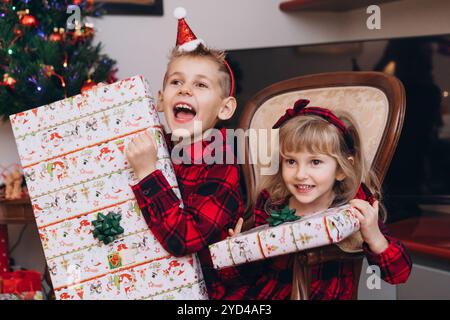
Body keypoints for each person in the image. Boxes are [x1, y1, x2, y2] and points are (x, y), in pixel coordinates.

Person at [229, 99, 412, 300]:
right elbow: (250, 275)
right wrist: (241, 251)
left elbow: (399, 274)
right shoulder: (272, 204)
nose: (300, 174)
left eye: (315, 162)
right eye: (291, 161)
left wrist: (375, 237)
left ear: (341, 169)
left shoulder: (352, 208)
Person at [125, 8, 246, 299]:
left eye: (201, 84)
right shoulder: (157, 147)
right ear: (160, 99)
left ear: (225, 108)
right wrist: (111, 109)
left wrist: (147, 175)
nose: (185, 90)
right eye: (176, 82)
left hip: (210, 294)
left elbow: (185, 237)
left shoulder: (222, 162)